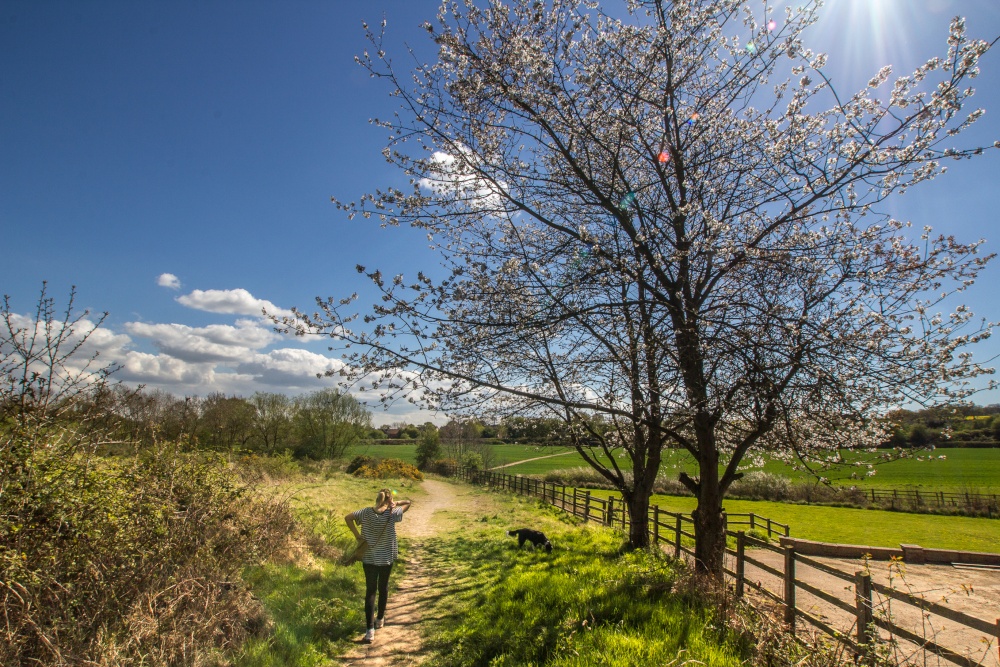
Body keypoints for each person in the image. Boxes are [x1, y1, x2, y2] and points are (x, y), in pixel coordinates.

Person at [345, 487, 412, 643]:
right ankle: (380, 619)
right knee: (383, 587)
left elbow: (348, 518)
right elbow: (408, 503)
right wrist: (396, 503)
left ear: (376, 498)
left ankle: (369, 631)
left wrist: (357, 535)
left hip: (368, 557)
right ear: (389, 500)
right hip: (386, 558)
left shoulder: (365, 512)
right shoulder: (392, 513)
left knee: (370, 591)